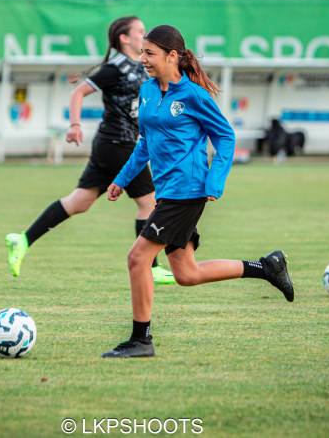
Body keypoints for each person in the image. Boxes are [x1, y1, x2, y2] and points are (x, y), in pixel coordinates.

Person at [101, 24, 295, 358]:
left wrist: (215, 181)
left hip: (187, 191)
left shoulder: (193, 95)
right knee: (186, 274)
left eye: (150, 53)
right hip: (167, 192)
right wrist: (121, 178)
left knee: (138, 258)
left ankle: (141, 340)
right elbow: (145, 143)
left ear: (172, 56)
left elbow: (225, 137)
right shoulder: (147, 91)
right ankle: (266, 267)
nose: (143, 59)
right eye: (142, 52)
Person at [5, 16, 176, 285]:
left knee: (79, 202)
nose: (144, 37)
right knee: (148, 202)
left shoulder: (139, 66)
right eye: (140, 32)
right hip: (118, 145)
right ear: (124, 38)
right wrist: (74, 125)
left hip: (109, 146)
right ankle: (151, 266)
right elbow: (78, 93)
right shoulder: (116, 68)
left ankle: (23, 239)